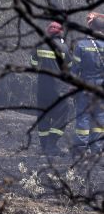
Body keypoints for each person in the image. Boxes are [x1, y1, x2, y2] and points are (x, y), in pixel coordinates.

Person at [30, 22, 71, 156]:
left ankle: (44, 146)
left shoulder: (40, 45)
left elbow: (33, 63)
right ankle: (51, 145)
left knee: (43, 116)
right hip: (58, 89)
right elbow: (69, 67)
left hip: (43, 88)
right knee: (62, 115)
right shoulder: (64, 48)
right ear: (60, 33)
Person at [72, 12, 104, 155]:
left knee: (83, 117)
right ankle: (97, 148)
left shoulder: (81, 45)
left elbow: (74, 70)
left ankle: (81, 149)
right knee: (100, 117)